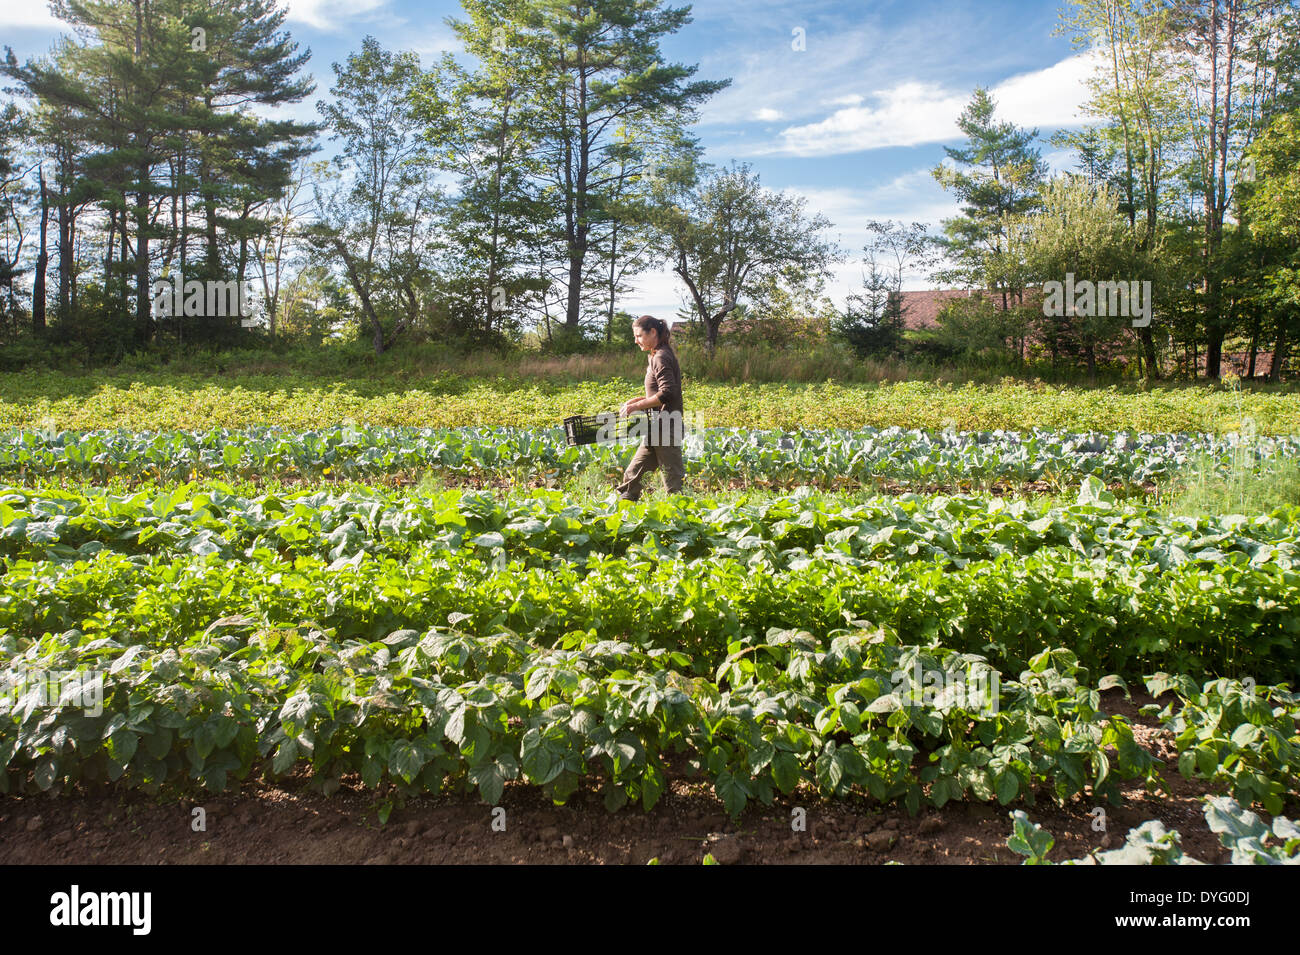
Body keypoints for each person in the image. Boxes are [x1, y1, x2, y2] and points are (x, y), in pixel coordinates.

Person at [615, 314, 686, 501]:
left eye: (639, 336)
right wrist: (637, 401)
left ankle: (681, 521)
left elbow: (668, 393)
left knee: (673, 480)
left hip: (667, 426)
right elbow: (658, 392)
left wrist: (638, 405)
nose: (635, 340)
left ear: (653, 332)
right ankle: (623, 514)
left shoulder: (661, 356)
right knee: (633, 475)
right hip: (656, 427)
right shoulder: (656, 354)